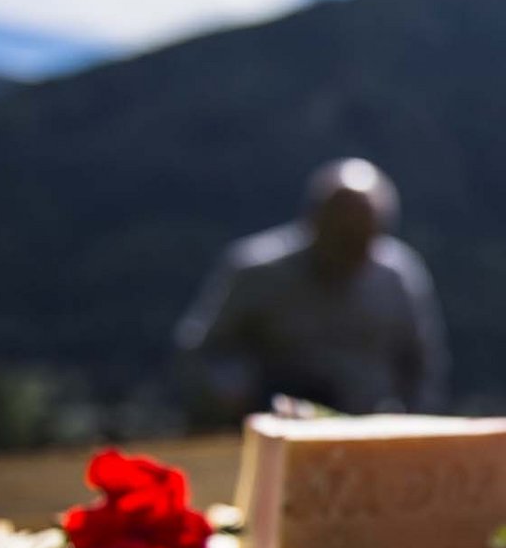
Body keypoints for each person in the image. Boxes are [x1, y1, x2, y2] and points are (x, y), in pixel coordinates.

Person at [176, 159, 448, 422]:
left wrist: (410, 425)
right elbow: (204, 350)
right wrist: (229, 392)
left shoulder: (398, 277)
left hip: (365, 430)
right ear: (313, 221)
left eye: (361, 237)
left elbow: (423, 367)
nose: (349, 247)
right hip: (272, 427)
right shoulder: (259, 272)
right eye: (341, 233)